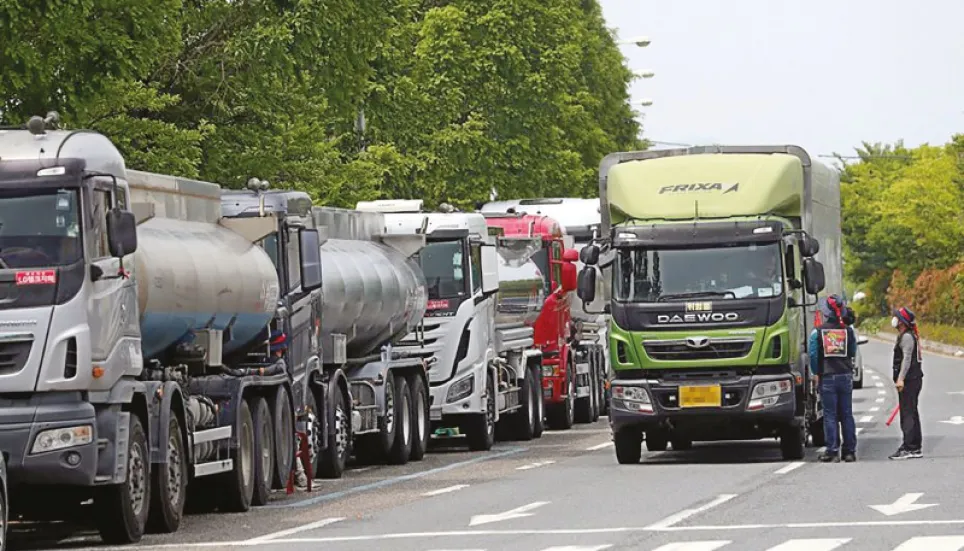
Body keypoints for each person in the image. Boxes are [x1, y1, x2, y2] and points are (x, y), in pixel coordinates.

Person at [808, 294, 858, 462]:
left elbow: (813, 355)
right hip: (845, 375)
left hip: (827, 376)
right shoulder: (848, 330)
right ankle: (849, 451)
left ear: (826, 312)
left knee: (830, 415)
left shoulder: (818, 332)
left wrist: (816, 372)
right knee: (846, 414)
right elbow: (852, 352)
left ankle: (832, 451)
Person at [890, 307, 924, 460]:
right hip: (912, 380)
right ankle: (914, 446)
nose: (894, 319)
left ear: (901, 322)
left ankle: (911, 447)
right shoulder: (906, 336)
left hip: (910, 381)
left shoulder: (907, 338)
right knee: (911, 411)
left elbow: (907, 359)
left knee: (908, 414)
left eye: (896, 317)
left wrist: (901, 378)